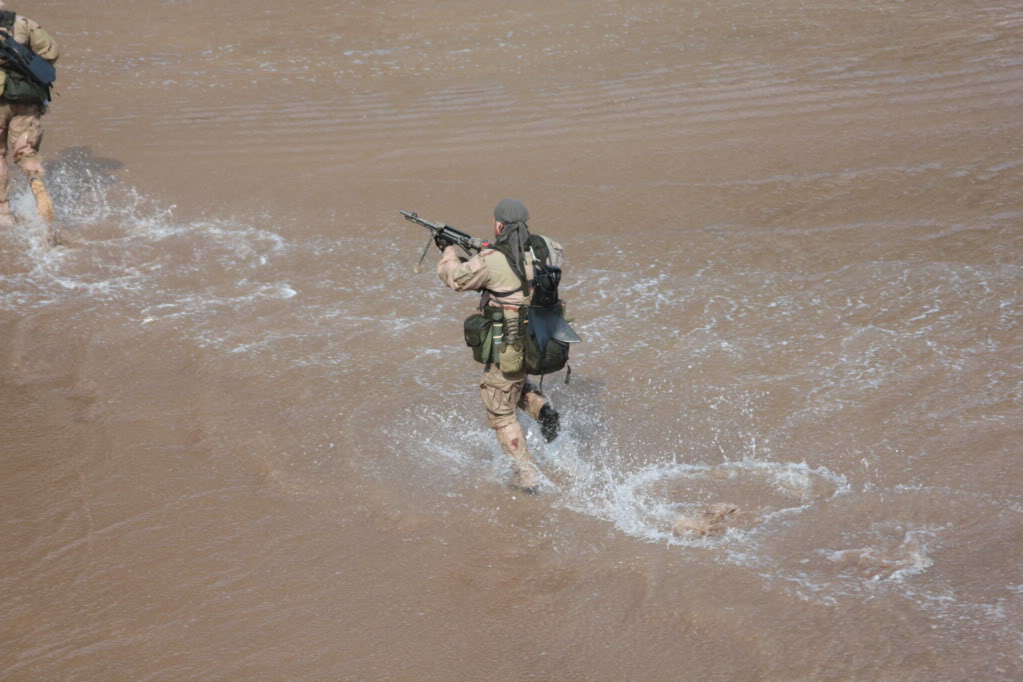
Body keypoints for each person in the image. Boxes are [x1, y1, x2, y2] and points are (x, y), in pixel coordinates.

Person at [437, 199, 562, 492]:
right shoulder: (550, 247)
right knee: (515, 386)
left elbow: (454, 278)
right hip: (542, 339)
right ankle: (544, 411)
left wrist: (448, 250)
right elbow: (526, 269)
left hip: (509, 344)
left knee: (500, 408)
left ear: (498, 225)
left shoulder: (493, 260)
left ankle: (526, 475)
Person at [0, 2, 58, 230]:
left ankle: (3, 212)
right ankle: (38, 187)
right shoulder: (22, 23)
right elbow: (52, 52)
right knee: (26, 151)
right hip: (26, 97)